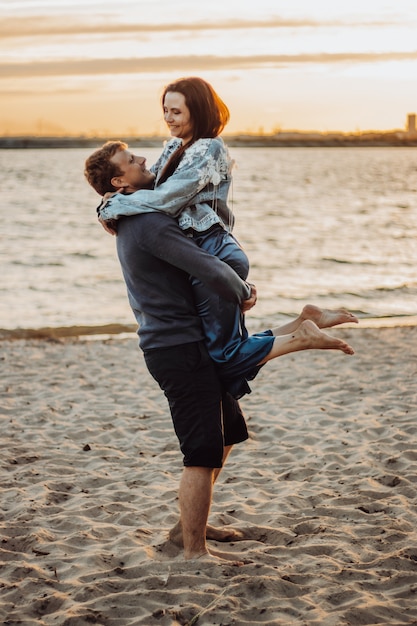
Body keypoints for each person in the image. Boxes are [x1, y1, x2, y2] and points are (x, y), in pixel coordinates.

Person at [92, 77, 357, 398]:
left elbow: (166, 200)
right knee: (226, 351)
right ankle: (303, 321)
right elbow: (147, 188)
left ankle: (302, 338)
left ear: (198, 111)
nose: (168, 118)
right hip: (203, 250)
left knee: (224, 356)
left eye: (176, 111)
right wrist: (106, 202)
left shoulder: (208, 148)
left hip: (213, 249)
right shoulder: (176, 147)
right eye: (165, 111)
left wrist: (115, 204)